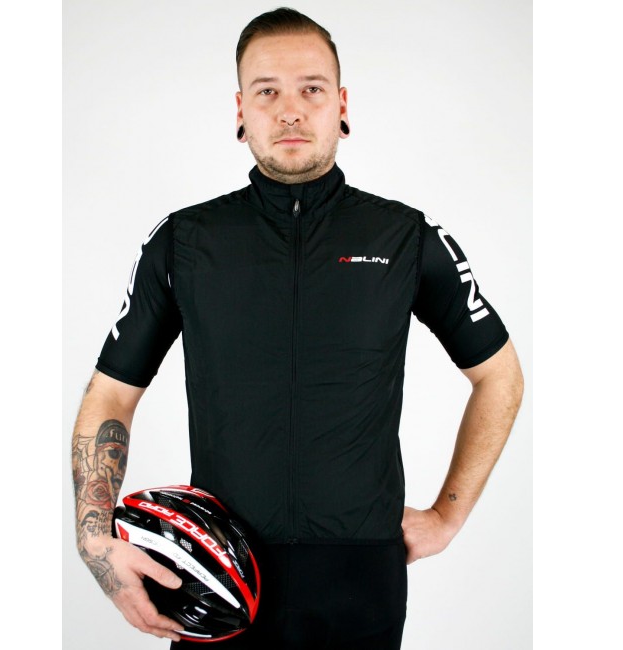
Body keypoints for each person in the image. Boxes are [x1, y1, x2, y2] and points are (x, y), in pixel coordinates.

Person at [72, 7, 524, 649]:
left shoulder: (405, 238)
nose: (290, 111)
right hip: (219, 576)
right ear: (240, 111)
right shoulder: (184, 242)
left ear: (342, 105)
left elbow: (499, 376)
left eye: (311, 89)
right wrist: (95, 544)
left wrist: (447, 517)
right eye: (267, 92)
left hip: (361, 580)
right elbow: (112, 394)